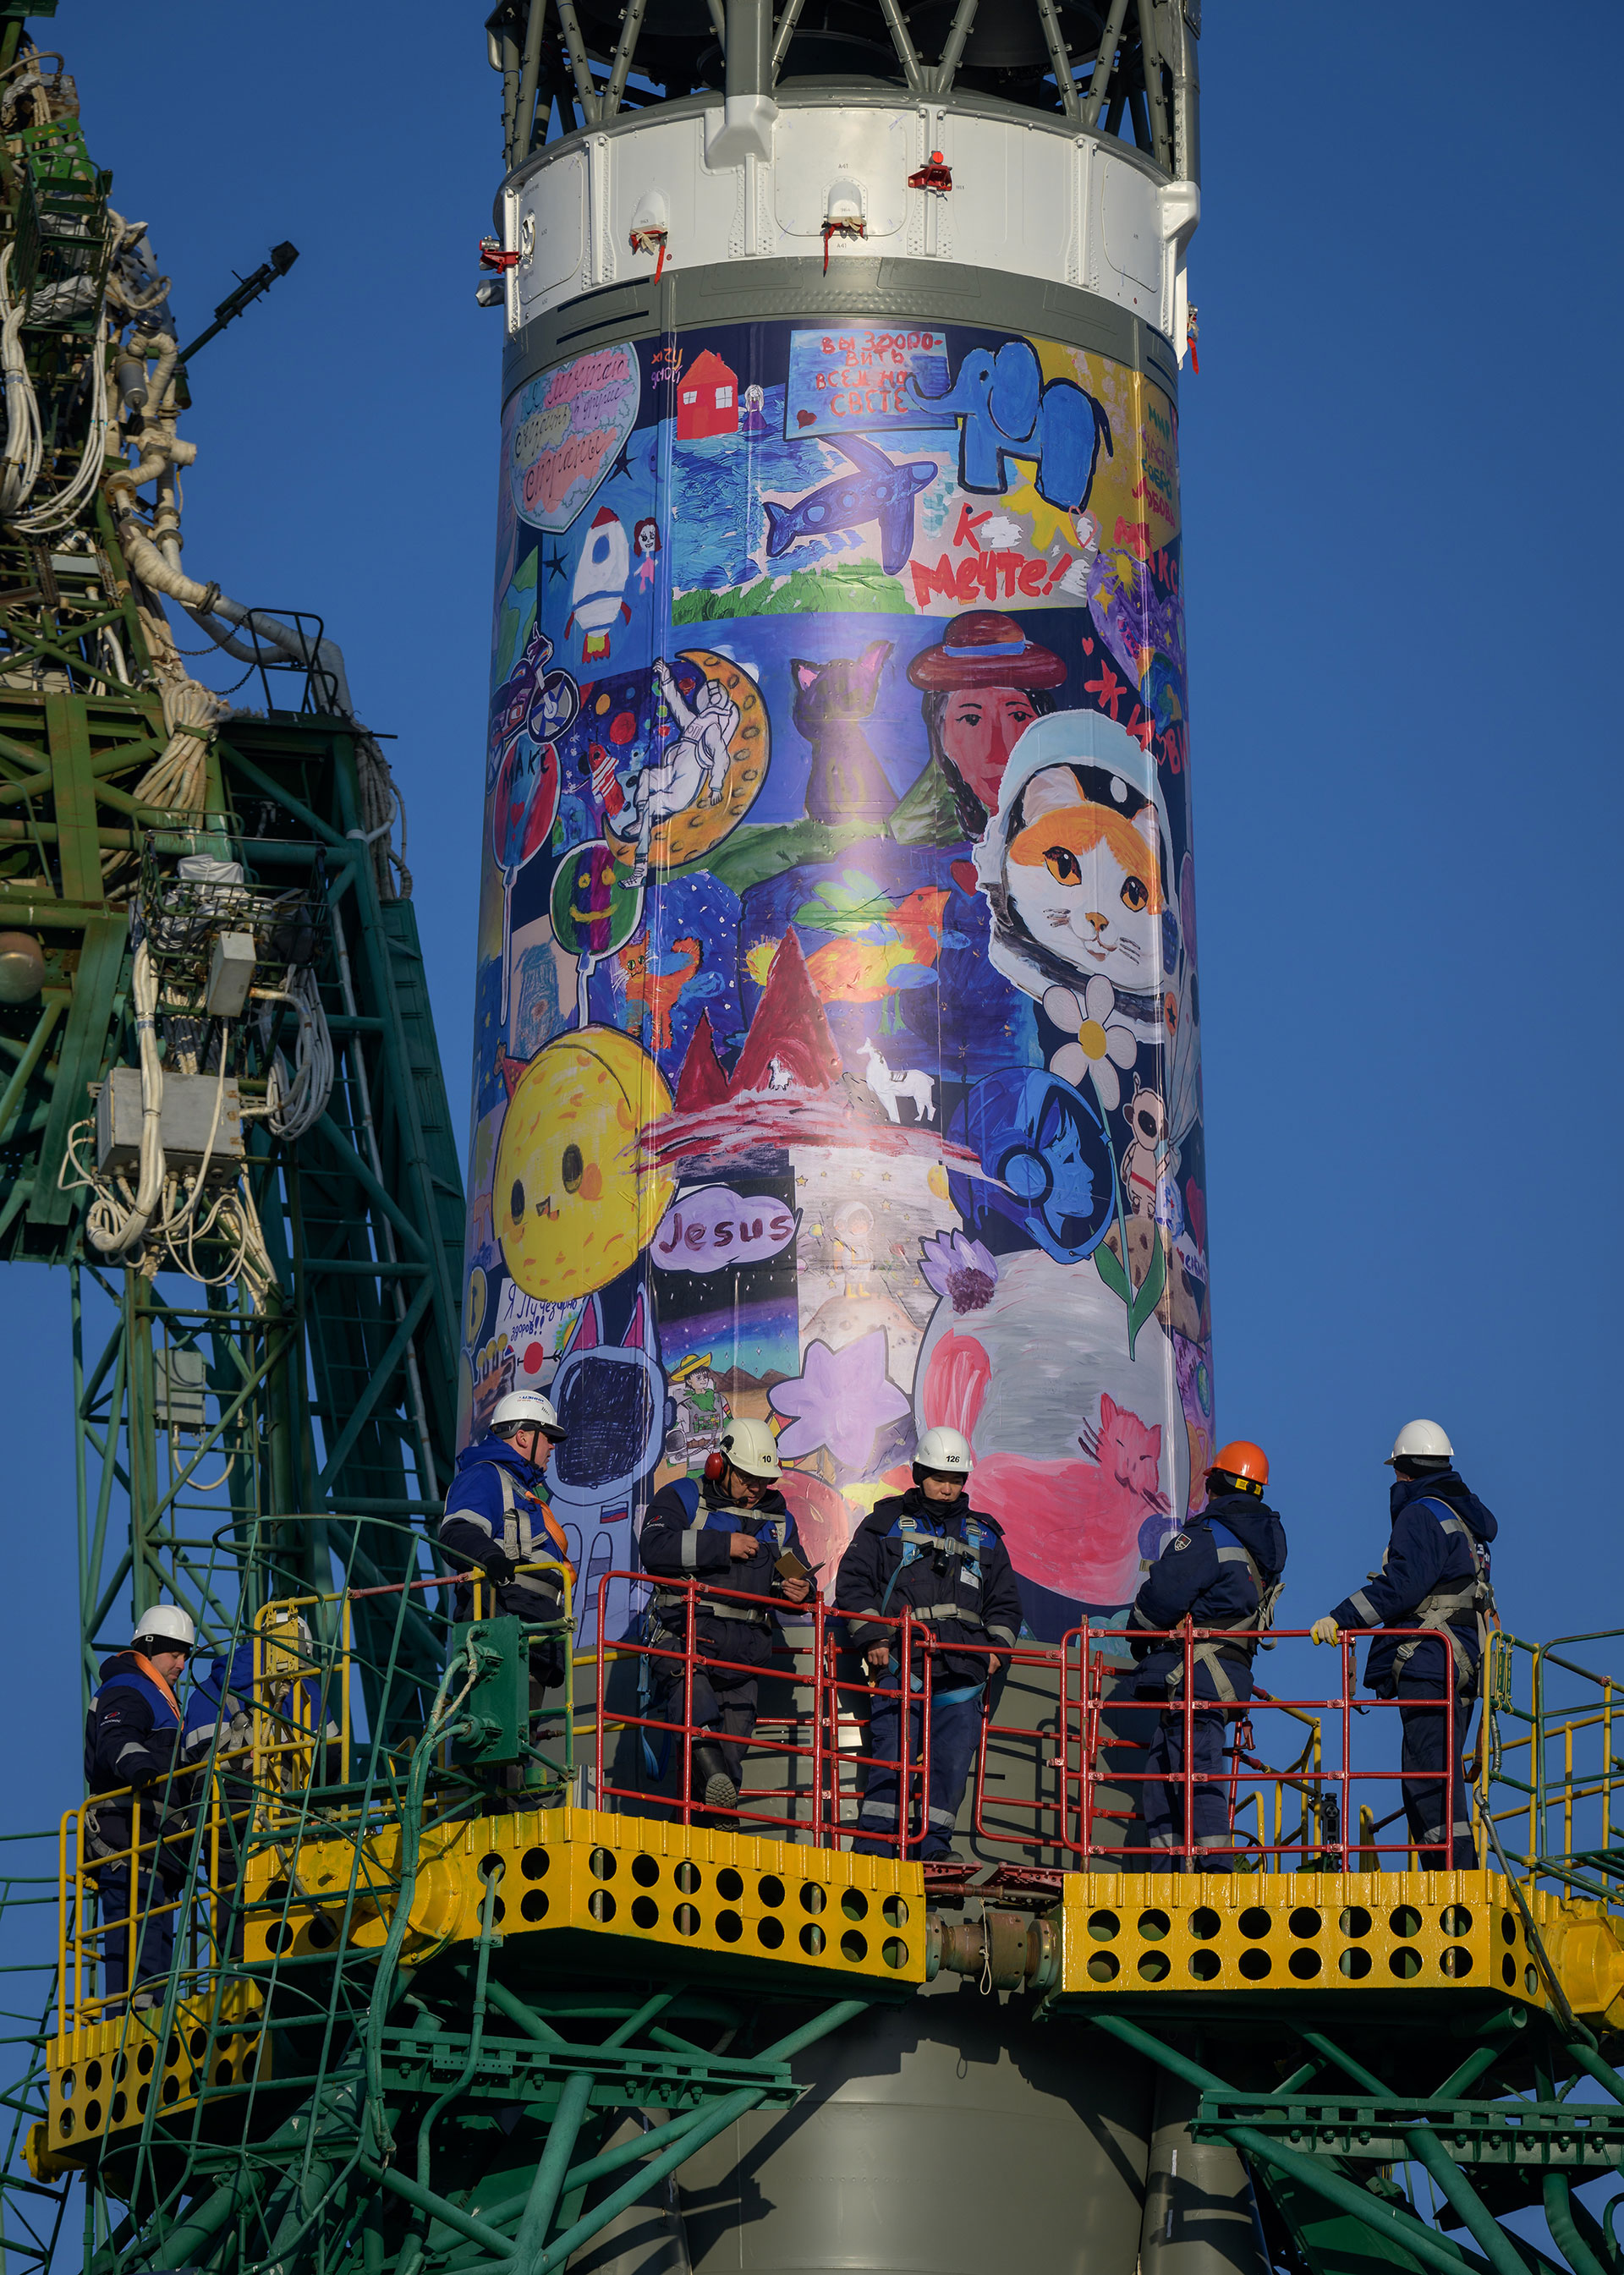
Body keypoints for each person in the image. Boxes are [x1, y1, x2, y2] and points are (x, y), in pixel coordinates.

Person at [1311, 1419, 1496, 1870]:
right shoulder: (1464, 1521)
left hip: (1432, 1660)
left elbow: (1400, 1588)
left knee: (1428, 1777)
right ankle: (1455, 1872)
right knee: (1443, 1773)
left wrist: (1341, 1618)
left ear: (1404, 1471)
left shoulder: (1422, 1514)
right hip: (1467, 1660)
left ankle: (1453, 1881)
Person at [837, 1426, 1020, 1859]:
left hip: (963, 1672)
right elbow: (854, 1583)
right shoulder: (883, 1523)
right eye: (939, 1477)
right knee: (893, 1757)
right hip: (903, 1664)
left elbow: (1006, 1603)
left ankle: (934, 1850)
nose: (946, 1487)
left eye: (955, 1480)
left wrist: (996, 1650)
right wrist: (872, 1638)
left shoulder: (987, 1535)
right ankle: (876, 1849)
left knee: (952, 1764)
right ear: (919, 1473)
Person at [639, 1417, 811, 1819]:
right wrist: (722, 1545)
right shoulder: (681, 1496)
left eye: (763, 1481)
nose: (755, 1489)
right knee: (696, 1719)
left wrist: (800, 1591)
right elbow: (653, 1547)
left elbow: (795, 1573)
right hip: (685, 1636)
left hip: (745, 1652)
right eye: (748, 1478)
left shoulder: (778, 1523)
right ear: (721, 1465)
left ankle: (713, 1824)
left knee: (731, 1755)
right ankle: (713, 1811)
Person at [1127, 1442, 1287, 1871]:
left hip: (1196, 1670)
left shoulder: (1206, 1537)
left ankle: (1217, 1874)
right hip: (1226, 1671)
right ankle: (1166, 1879)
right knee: (1163, 1778)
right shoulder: (1264, 1546)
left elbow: (1159, 1599)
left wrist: (1137, 1635)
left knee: (1197, 1772)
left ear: (1214, 1482)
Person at [83, 1603, 195, 2009]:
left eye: (186, 1655)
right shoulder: (130, 1688)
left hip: (154, 1842)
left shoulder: (163, 1699)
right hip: (125, 1836)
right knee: (133, 1930)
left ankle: (151, 2006)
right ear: (149, 1649)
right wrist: (141, 1766)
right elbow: (116, 1739)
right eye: (174, 1653)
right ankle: (125, 2013)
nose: (181, 1664)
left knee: (156, 1932)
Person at [440, 1390, 576, 1703]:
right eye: (548, 1437)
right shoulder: (486, 1476)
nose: (552, 1447)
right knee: (504, 1739)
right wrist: (490, 1557)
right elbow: (457, 1531)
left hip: (533, 1634)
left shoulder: (524, 1494)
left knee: (519, 1742)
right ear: (524, 1436)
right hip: (504, 1628)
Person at [890, 611, 1067, 847]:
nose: (997, 752)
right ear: (941, 735)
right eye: (972, 719)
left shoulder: (1074, 821)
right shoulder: (917, 841)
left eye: (1018, 716)